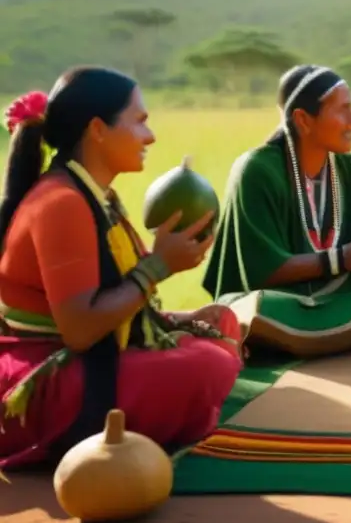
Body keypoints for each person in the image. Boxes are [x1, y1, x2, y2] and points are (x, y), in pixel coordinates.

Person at [0, 68, 243, 471]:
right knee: (205, 368)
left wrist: (176, 318)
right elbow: (80, 330)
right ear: (98, 129)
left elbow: (113, 301)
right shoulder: (61, 202)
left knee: (221, 322)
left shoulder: (95, 196)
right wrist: (158, 266)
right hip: (45, 381)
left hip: (87, 352)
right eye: (140, 121)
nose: (150, 137)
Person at [203, 65, 351, 359]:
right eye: (343, 110)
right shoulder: (257, 170)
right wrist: (340, 258)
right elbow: (260, 271)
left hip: (339, 299)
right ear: (303, 119)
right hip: (280, 304)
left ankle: (315, 340)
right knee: (251, 312)